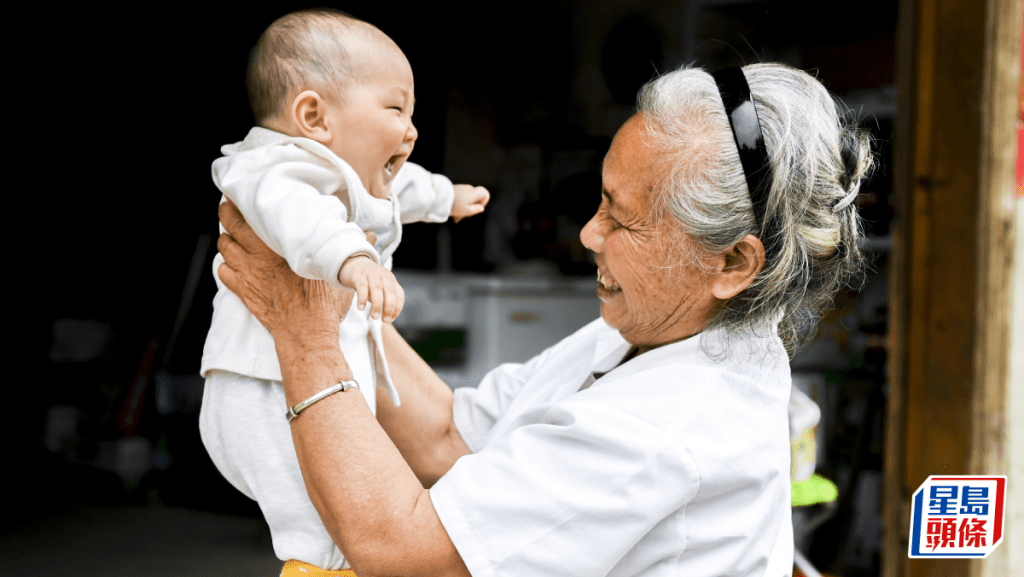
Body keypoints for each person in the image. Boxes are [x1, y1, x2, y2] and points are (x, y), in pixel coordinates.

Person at [216, 62, 871, 577]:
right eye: (601, 199)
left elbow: (403, 548)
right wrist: (331, 286)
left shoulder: (668, 424)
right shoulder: (654, 330)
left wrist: (301, 333)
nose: (589, 233)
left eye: (623, 217)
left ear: (731, 262)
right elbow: (451, 436)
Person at [198, 9, 489, 572]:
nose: (411, 128)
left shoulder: (347, 173)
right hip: (260, 391)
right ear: (314, 116)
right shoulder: (276, 171)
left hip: (291, 387)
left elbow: (401, 186)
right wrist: (355, 259)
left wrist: (448, 197)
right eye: (396, 108)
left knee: (332, 503)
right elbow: (305, 223)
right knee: (318, 527)